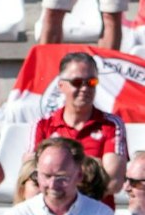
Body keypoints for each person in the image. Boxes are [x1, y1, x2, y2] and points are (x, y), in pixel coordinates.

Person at [30, 51, 129, 190]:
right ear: (61, 85)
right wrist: (92, 172)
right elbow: (31, 175)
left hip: (94, 209)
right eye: (77, 82)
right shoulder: (43, 124)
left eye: (91, 82)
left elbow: (114, 182)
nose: (84, 88)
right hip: (52, 209)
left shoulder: (112, 125)